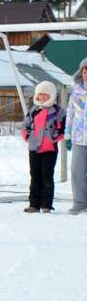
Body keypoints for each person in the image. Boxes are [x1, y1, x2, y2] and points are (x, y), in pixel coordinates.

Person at [22, 80, 65, 214]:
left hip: (49, 149)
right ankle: (34, 204)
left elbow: (62, 127)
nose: (42, 97)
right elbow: (26, 125)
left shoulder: (58, 111)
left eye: (46, 95)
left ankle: (46, 205)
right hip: (34, 148)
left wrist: (54, 137)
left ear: (51, 95)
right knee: (35, 176)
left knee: (47, 176)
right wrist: (28, 136)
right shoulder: (33, 110)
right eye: (40, 94)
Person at [67, 57, 87, 214]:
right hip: (78, 139)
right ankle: (80, 202)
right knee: (76, 172)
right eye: (84, 71)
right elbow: (70, 113)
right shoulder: (76, 91)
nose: (86, 74)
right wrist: (67, 134)